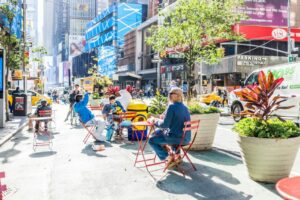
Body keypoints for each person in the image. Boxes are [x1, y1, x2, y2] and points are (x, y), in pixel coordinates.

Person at [148, 88, 191, 168]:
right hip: (186, 138)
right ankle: (177, 156)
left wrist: (154, 121)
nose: (169, 95)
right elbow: (176, 121)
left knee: (151, 140)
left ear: (177, 96)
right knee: (160, 132)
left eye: (171, 93)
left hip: (176, 138)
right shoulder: (185, 108)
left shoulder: (172, 106)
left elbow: (165, 125)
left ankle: (167, 157)